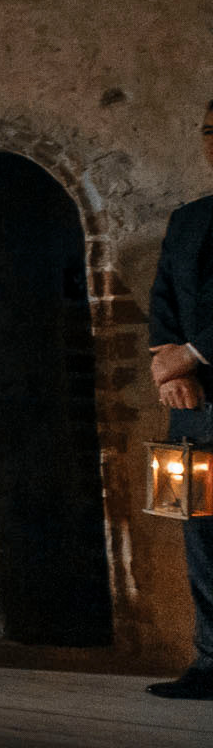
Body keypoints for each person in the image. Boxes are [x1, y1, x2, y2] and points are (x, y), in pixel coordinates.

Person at [145, 98, 213, 700]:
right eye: (212, 129)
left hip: (201, 372)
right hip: (194, 407)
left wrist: (193, 354)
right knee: (203, 531)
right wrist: (167, 370)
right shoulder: (188, 219)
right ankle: (212, 664)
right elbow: (164, 296)